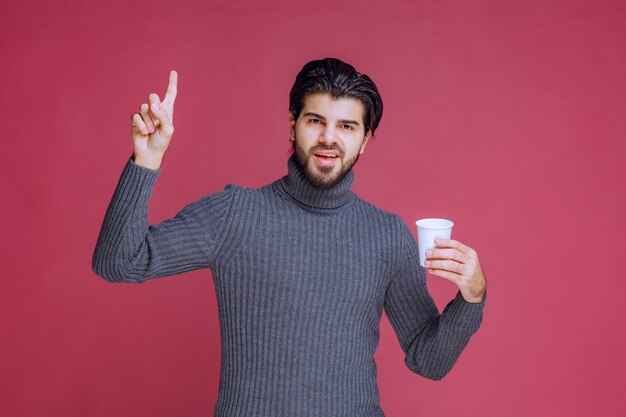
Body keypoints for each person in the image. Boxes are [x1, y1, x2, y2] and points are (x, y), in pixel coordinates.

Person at [92, 58, 487, 417]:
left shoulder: (386, 235)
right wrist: (146, 160)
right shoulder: (236, 213)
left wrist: (473, 296)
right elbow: (118, 262)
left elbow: (430, 361)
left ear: (365, 139)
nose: (328, 138)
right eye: (316, 120)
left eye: (346, 126)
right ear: (292, 123)